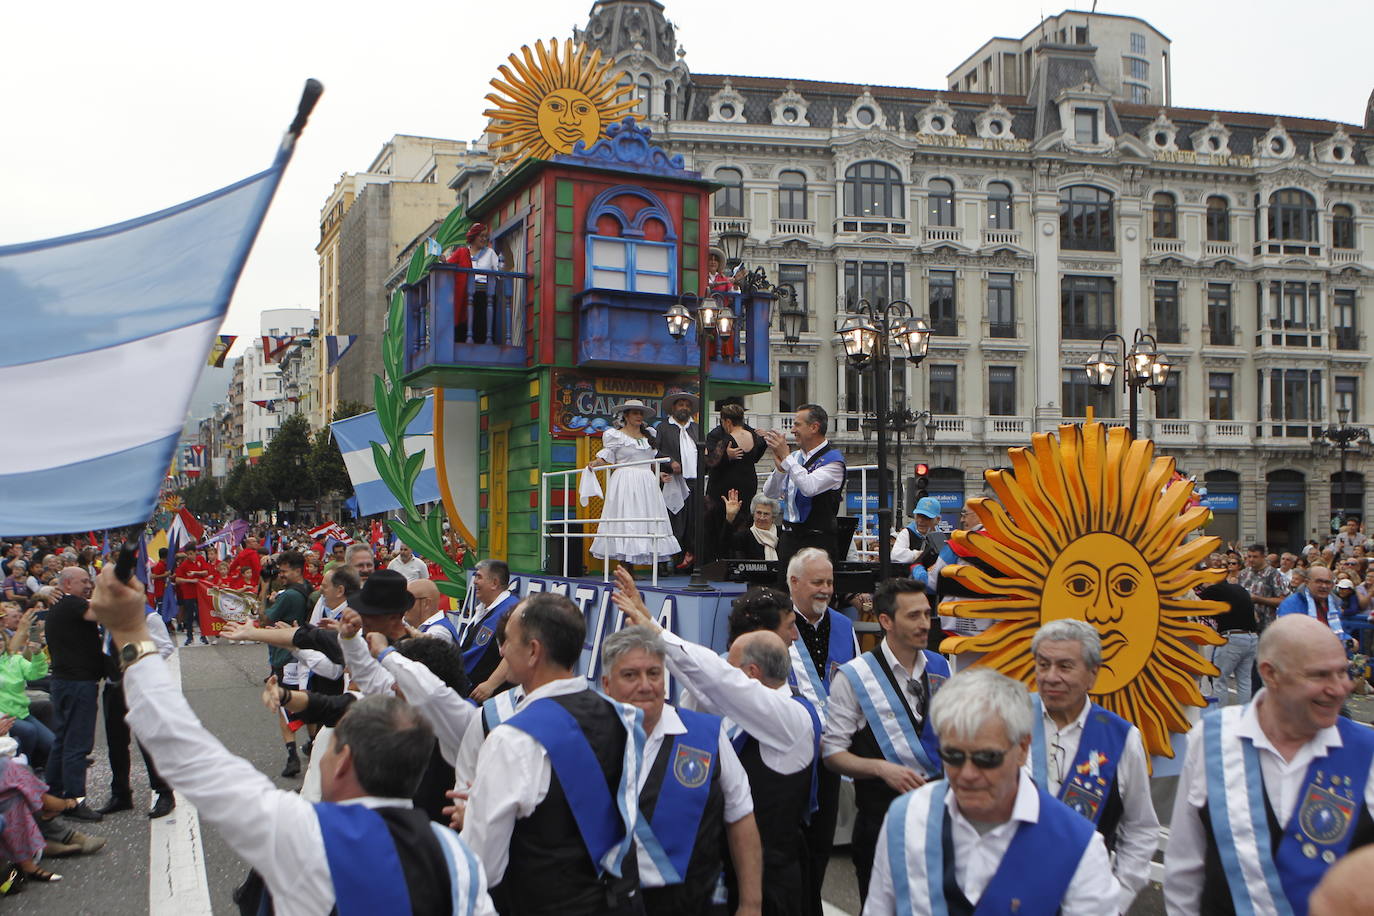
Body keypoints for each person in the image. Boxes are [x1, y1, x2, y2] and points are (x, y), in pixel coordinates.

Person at [85, 563, 495, 915]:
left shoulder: (302, 834)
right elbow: (379, 683)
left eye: (329, 744)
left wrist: (129, 633)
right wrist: (355, 645)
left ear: (346, 759)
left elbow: (184, 751)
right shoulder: (457, 858)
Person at [614, 570, 819, 916]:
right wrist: (648, 622)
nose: (725, 669)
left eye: (732, 665)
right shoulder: (740, 713)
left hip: (772, 886)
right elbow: (706, 685)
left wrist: (655, 631)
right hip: (723, 881)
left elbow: (716, 680)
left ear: (751, 674)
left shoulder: (793, 718)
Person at [1164, 614, 1374, 913]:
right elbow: (1185, 865)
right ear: (1270, 674)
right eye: (1320, 675)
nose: (1339, 688)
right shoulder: (1212, 739)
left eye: (1343, 672)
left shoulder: (1366, 752)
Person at [864, 668, 1113, 915]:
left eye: (987, 758)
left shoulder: (1079, 846)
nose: (968, 774)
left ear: (1023, 748)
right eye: (953, 756)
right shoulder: (906, 818)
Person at [461, 592, 643, 915]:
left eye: (508, 642)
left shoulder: (512, 739)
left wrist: (474, 813)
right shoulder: (623, 717)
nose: (501, 650)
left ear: (533, 652)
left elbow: (482, 867)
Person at [599, 625, 763, 916]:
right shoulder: (587, 740)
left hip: (693, 903)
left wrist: (751, 904)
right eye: (630, 675)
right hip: (606, 902)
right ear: (606, 684)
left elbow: (740, 817)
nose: (645, 685)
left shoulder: (706, 735)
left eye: (653, 673)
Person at [823, 578, 947, 903]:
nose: (924, 624)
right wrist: (881, 769)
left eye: (927, 614)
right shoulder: (853, 677)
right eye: (913, 616)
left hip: (938, 819)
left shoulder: (942, 666)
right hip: (882, 823)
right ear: (886, 621)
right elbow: (832, 754)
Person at [1026, 619, 1157, 913]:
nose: (1050, 677)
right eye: (1043, 664)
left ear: (1092, 674)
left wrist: (1118, 897)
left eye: (1065, 666)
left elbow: (1140, 828)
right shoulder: (1008, 718)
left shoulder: (1120, 738)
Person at [783, 547, 856, 914]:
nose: (826, 589)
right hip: (788, 758)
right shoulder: (773, 626)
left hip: (829, 758)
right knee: (791, 847)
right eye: (817, 582)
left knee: (822, 844)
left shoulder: (844, 626)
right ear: (794, 583)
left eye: (829, 582)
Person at [98, 597, 177, 818]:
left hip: (140, 687)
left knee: (148, 741)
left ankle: (164, 793)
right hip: (114, 686)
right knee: (116, 742)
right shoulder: (107, 613)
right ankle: (121, 794)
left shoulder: (147, 615)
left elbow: (164, 646)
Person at [42, 567, 103, 821]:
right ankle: (75, 801)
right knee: (77, 744)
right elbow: (100, 612)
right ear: (67, 584)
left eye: (90, 581)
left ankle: (54, 795)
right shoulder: (70, 604)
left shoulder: (63, 604)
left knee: (63, 740)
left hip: (65, 682)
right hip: (78, 684)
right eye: (84, 581)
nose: (89, 585)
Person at [591, 399, 680, 567]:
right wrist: (595, 463)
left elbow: (651, 460)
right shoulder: (615, 435)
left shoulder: (649, 435)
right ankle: (625, 566)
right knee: (626, 518)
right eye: (635, 413)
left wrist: (659, 474)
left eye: (641, 413)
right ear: (626, 415)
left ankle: (640, 564)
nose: (639, 416)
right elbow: (606, 455)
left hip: (646, 481)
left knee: (645, 519)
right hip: (625, 480)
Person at [761, 405, 846, 568]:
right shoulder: (794, 458)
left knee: (814, 589)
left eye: (797, 424)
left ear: (814, 427)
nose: (792, 430)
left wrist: (786, 457)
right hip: (789, 540)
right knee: (785, 589)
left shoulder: (833, 461)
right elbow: (770, 493)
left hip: (817, 542)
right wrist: (780, 470)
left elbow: (809, 487)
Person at [260, 551, 313, 778]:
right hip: (305, 655)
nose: (280, 575)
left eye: (284, 571)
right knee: (308, 704)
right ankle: (314, 744)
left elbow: (264, 618)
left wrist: (264, 589)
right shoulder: (308, 589)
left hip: (284, 656)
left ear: (297, 570)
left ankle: (292, 756)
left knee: (283, 705)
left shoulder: (288, 595)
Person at [703, 403, 767, 564]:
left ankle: (718, 560)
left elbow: (710, 461)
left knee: (718, 522)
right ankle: (741, 561)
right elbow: (756, 454)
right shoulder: (752, 434)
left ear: (727, 422)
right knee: (742, 523)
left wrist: (725, 454)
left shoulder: (724, 439)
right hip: (747, 484)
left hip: (723, 487)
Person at [1200, 551, 1260, 705]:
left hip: (1232, 637)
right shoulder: (1238, 588)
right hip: (1252, 637)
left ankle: (1223, 717)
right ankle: (1243, 716)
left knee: (1220, 680)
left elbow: (1196, 602)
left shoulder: (1215, 590)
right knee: (1245, 681)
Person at [655, 393, 703, 571]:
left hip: (692, 481)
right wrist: (669, 462)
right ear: (674, 408)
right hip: (670, 480)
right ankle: (663, 563)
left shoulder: (696, 428)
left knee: (692, 521)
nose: (684, 408)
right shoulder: (663, 428)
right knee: (670, 521)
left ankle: (687, 561)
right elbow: (655, 451)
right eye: (680, 405)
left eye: (686, 405)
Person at [460, 560, 520, 700]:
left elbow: (515, 652)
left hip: (494, 697)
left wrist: (491, 684)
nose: (474, 581)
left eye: (479, 577)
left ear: (494, 583)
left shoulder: (510, 611)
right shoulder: (483, 608)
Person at [448, 221, 504, 345]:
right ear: (473, 236)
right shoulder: (462, 253)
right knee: (465, 320)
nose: (484, 239)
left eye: (486, 236)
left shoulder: (490, 253)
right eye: (481, 236)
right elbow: (449, 267)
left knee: (481, 323)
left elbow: (500, 271)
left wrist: (504, 263)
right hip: (465, 293)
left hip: (484, 294)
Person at [1278, 564, 1350, 641]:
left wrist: (1348, 639)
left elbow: (1340, 631)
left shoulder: (1334, 603)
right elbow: (1287, 633)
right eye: (1319, 581)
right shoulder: (1291, 603)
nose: (1324, 586)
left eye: (1328, 583)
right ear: (1306, 582)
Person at [890, 498, 944, 587]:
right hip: (908, 585)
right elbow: (895, 555)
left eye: (926, 517)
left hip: (932, 585)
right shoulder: (906, 533)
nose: (920, 521)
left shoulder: (940, 536)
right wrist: (917, 554)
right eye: (918, 516)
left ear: (937, 519)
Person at [722, 493, 780, 561]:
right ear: (753, 514)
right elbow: (725, 544)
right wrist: (730, 517)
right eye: (758, 513)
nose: (762, 517)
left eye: (766, 514)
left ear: (773, 517)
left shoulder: (781, 534)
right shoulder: (745, 536)